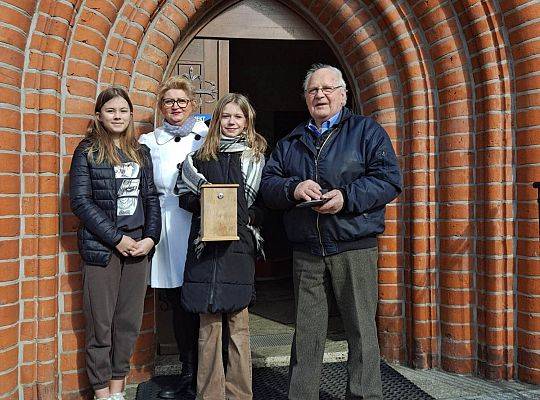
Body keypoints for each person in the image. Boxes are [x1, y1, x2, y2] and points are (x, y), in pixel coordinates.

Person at [260, 64, 403, 400]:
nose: (319, 95)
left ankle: (364, 395)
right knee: (307, 332)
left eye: (327, 88)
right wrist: (294, 188)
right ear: (306, 98)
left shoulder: (366, 132)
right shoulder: (292, 140)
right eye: (313, 90)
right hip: (307, 250)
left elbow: (388, 180)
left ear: (343, 94)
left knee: (361, 331)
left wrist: (346, 197)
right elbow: (268, 185)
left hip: (354, 246)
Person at [70, 87, 161, 400]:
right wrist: (116, 238)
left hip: (138, 249)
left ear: (131, 115)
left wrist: (150, 238)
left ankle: (117, 391)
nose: (118, 116)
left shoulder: (141, 152)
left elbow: (151, 198)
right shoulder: (87, 151)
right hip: (103, 251)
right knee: (101, 324)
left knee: (127, 323)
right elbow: (80, 202)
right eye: (111, 110)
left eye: (123, 110)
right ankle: (100, 392)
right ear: (99, 115)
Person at [176, 93, 266, 400]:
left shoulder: (255, 158)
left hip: (238, 251)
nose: (231, 121)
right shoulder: (200, 158)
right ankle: (209, 394)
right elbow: (184, 196)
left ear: (247, 121)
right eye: (226, 116)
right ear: (217, 120)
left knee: (238, 329)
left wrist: (241, 216)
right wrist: (206, 206)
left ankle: (240, 394)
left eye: (238, 117)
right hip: (205, 250)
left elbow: (262, 203)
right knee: (208, 328)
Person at [138, 76, 208, 398]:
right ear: (161, 106)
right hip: (167, 222)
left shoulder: (206, 136)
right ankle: (188, 371)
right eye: (169, 101)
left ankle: (210, 371)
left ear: (192, 104)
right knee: (178, 302)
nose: (175, 106)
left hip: (201, 221)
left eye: (181, 101)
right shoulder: (149, 141)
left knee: (201, 297)